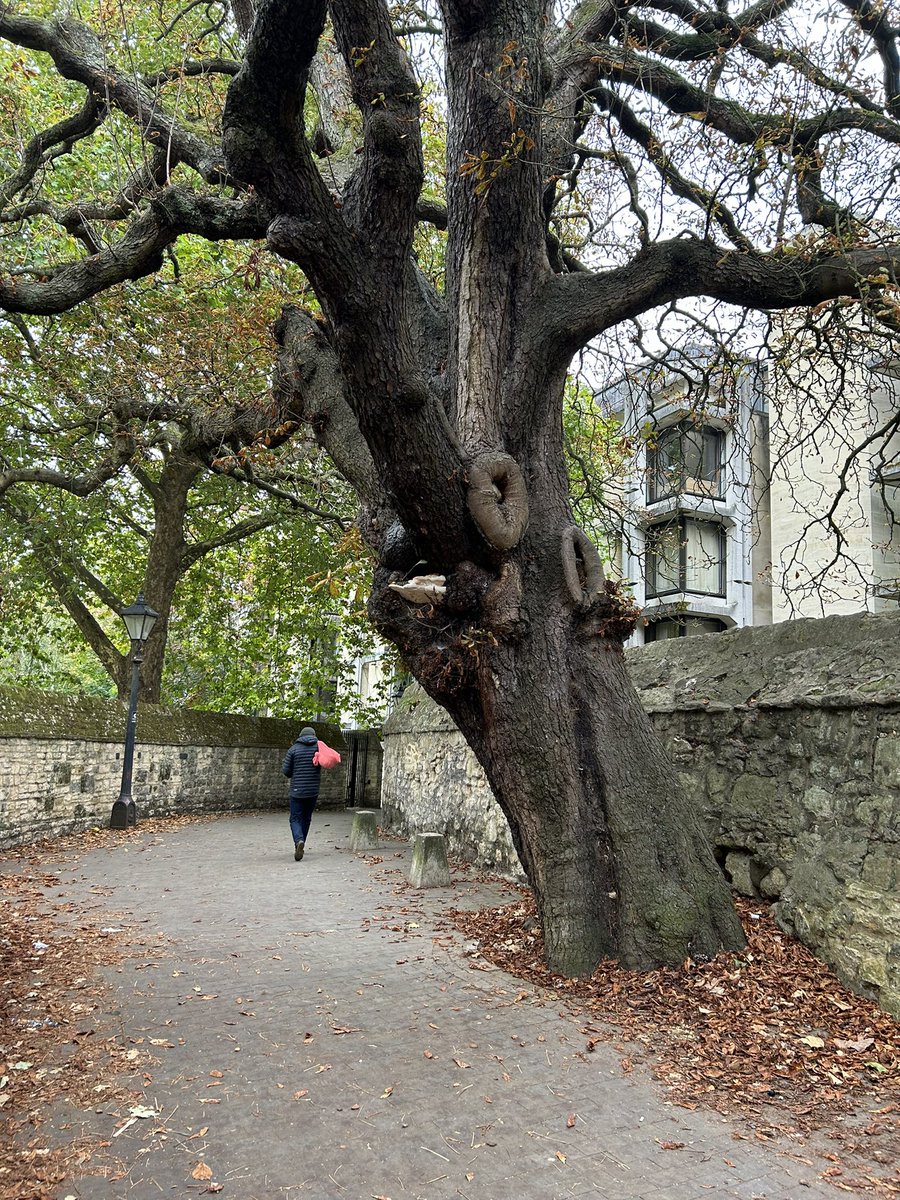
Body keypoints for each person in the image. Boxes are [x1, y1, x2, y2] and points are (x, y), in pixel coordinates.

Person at [282, 726, 340, 860]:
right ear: (314, 736)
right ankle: (302, 842)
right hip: (313, 791)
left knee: (295, 818)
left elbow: (286, 772)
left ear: (300, 736)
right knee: (307, 818)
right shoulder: (318, 748)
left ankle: (298, 841)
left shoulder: (293, 749)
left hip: (297, 791)